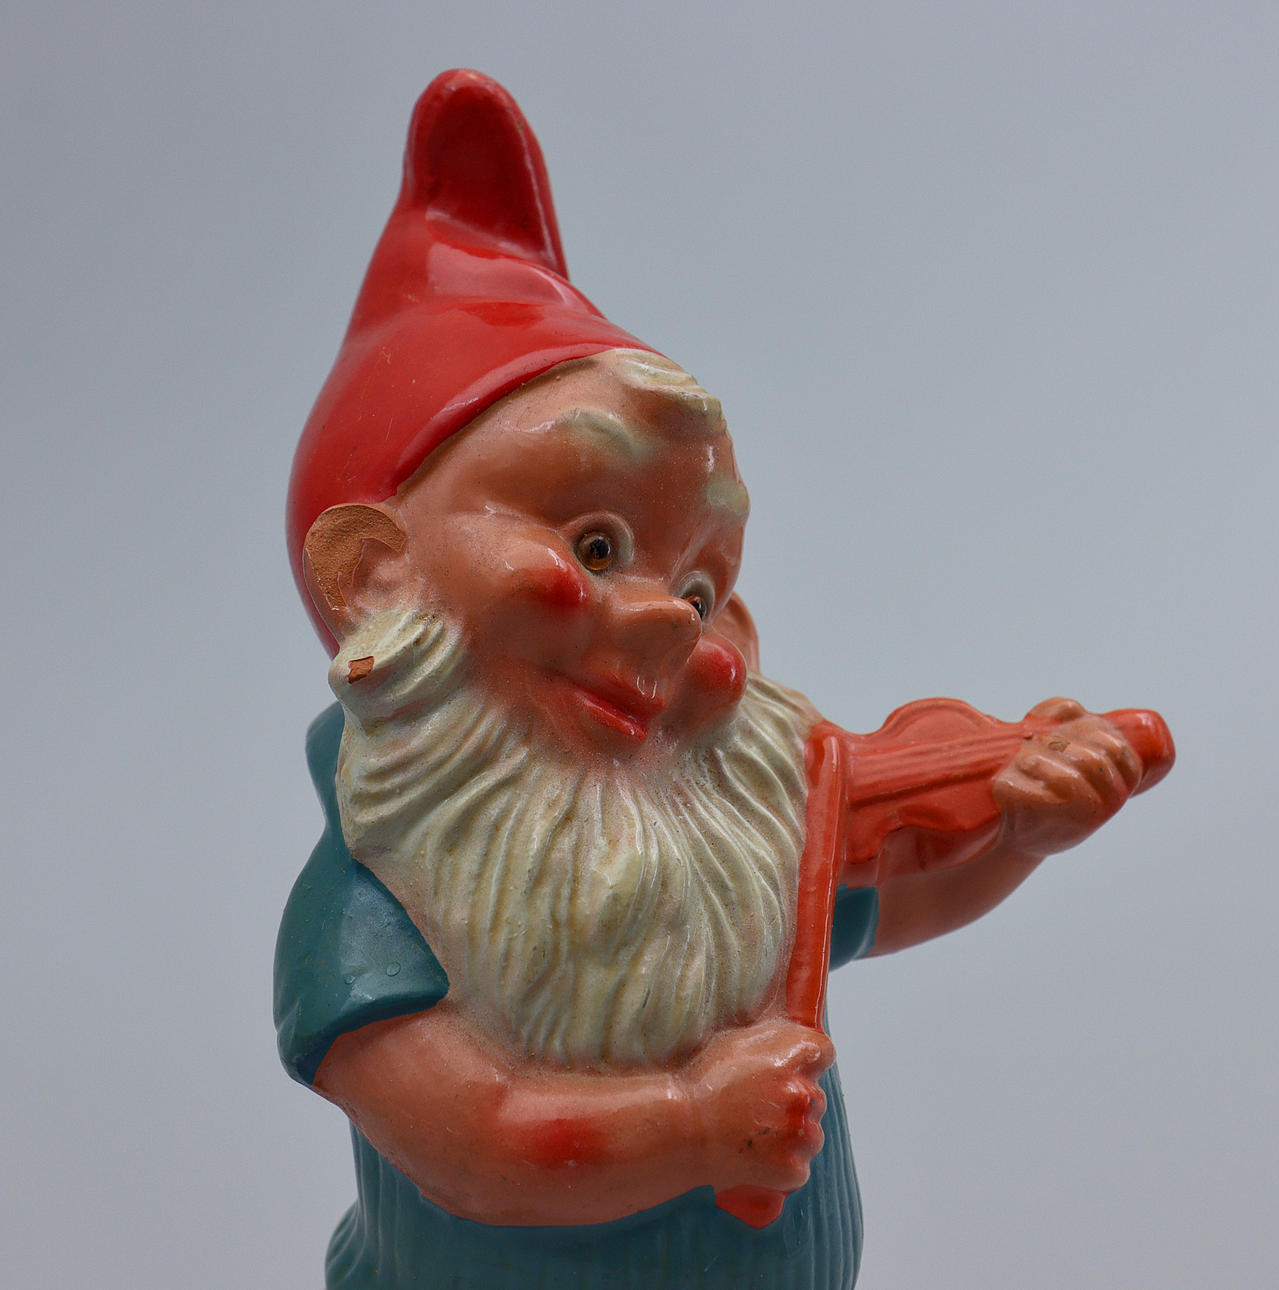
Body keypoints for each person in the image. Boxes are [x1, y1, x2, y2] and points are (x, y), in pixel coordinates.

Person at [275, 70, 1168, 1290]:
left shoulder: (722, 850)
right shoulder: (367, 904)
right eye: (596, 547)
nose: (667, 624)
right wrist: (692, 1122)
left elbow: (901, 902)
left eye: (701, 591)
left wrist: (1017, 836)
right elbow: (468, 1144)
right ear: (374, 576)